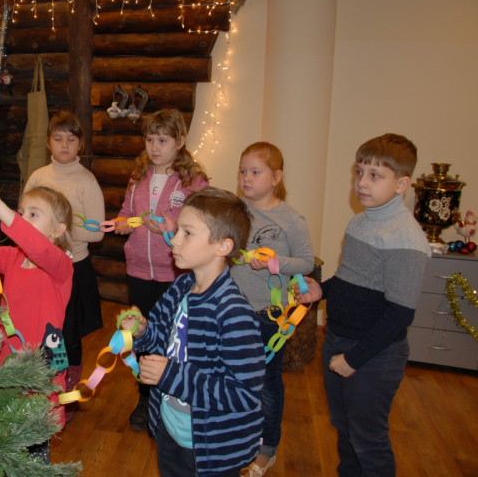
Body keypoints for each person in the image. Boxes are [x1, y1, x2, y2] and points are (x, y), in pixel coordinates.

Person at [294, 134, 430, 476]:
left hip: (375, 353)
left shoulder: (406, 237)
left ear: (401, 184)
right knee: (344, 427)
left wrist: (355, 359)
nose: (362, 183)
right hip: (338, 339)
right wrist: (321, 291)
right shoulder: (360, 221)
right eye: (359, 172)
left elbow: (400, 313)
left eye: (375, 175)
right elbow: (350, 278)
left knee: (368, 439)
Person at [119, 188, 265, 477]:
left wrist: (170, 375)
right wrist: (144, 331)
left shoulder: (233, 313)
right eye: (177, 230)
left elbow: (244, 394)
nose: (174, 239)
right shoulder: (181, 287)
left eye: (188, 233)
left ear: (222, 247)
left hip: (212, 448)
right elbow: (162, 340)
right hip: (170, 429)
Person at [115, 109, 209, 430]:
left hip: (175, 274)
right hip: (138, 269)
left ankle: (172, 393)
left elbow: (200, 218)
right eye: (150, 139)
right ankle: (145, 398)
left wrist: (171, 223)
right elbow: (126, 210)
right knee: (142, 334)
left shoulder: (192, 181)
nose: (154, 147)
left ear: (180, 141)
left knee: (171, 336)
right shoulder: (138, 176)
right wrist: (122, 223)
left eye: (163, 140)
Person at [0, 176, 74, 462]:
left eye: (34, 214)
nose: (22, 219)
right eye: (21, 212)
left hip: (39, 370)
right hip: (7, 361)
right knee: (3, 439)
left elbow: (39, 247)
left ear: (57, 230)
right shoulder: (13, 258)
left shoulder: (60, 266)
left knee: (33, 451)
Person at [231, 142, 315, 476]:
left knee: (267, 383)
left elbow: (307, 262)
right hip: (233, 309)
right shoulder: (235, 210)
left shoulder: (291, 219)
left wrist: (275, 263)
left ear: (276, 177)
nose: (246, 178)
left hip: (269, 315)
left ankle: (267, 448)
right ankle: (237, 437)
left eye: (255, 172)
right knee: (232, 375)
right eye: (243, 171)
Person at [24, 112, 105, 405]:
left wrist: (59, 230)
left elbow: (97, 232)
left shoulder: (86, 181)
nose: (64, 145)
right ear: (48, 143)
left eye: (71, 139)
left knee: (69, 332)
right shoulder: (38, 177)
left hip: (73, 267)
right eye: (58, 139)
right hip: (40, 269)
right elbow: (24, 220)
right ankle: (37, 383)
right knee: (40, 327)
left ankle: (67, 390)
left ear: (80, 144)